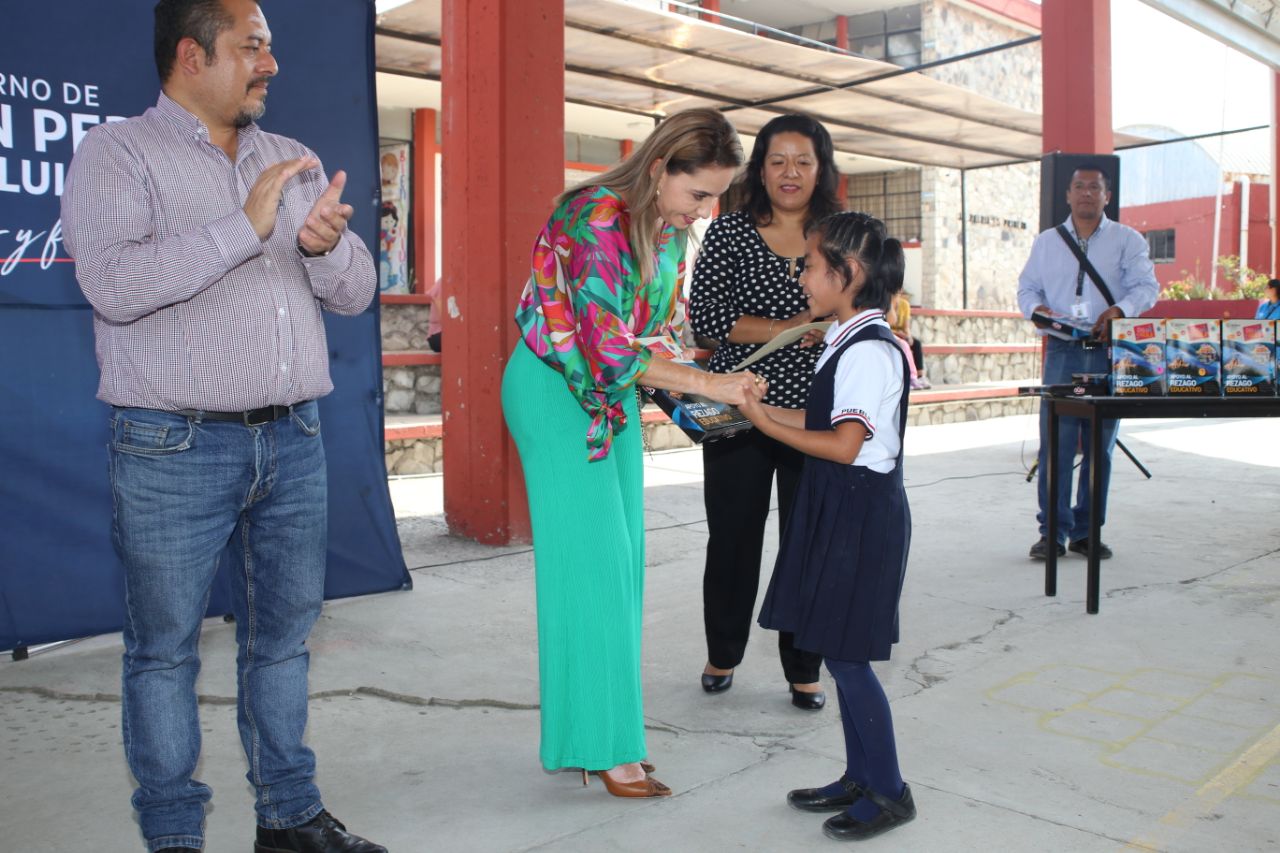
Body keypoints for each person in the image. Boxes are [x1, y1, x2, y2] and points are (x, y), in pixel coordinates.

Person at [60, 1, 385, 851]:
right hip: (172, 445)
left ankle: (288, 817)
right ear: (190, 56)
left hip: (294, 441)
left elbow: (355, 293)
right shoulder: (117, 153)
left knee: (280, 643)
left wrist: (323, 250)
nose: (270, 64)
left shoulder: (292, 158)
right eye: (252, 48)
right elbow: (114, 284)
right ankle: (174, 836)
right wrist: (243, 229)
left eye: (270, 48)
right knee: (163, 653)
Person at [501, 108, 760, 797]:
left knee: (622, 568)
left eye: (717, 197)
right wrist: (706, 381)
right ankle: (603, 744)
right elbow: (608, 345)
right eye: (698, 194)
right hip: (556, 395)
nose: (705, 212)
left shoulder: (668, 229)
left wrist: (709, 389)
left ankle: (605, 732)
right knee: (591, 571)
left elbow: (662, 332)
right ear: (658, 170)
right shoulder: (595, 217)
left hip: (607, 401)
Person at [743, 211, 916, 842]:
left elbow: (844, 445)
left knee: (848, 659)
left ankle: (890, 790)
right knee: (838, 653)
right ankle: (859, 775)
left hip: (860, 514)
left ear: (852, 274)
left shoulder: (870, 352)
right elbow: (823, 419)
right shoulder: (847, 338)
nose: (802, 274)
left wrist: (764, 425)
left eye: (812, 264)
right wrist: (755, 408)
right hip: (842, 506)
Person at [688, 113, 842, 711]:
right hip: (738, 407)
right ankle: (722, 652)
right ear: (760, 167)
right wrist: (790, 326)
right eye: (777, 160)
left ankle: (805, 667)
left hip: (818, 414)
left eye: (803, 160)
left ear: (822, 168)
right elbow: (707, 318)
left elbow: (869, 299)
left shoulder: (841, 234)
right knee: (732, 537)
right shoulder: (727, 232)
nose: (790, 172)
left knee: (808, 540)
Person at [1017, 164, 1158, 561]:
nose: (1086, 193)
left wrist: (1119, 309)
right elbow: (1026, 286)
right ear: (1067, 195)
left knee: (1101, 447)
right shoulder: (1047, 242)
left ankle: (1085, 532)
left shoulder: (1127, 240)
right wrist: (1037, 308)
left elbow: (1147, 287)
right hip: (1062, 352)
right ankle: (1053, 532)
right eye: (1078, 187)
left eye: (1094, 188)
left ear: (1106, 196)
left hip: (1106, 353)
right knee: (1056, 445)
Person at [889, 291, 929, 388]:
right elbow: (887, 326)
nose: (898, 296)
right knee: (903, 345)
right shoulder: (887, 305)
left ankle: (920, 376)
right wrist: (899, 334)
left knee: (916, 343)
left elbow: (906, 326)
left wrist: (908, 336)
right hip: (891, 333)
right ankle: (910, 377)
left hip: (901, 333)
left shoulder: (905, 305)